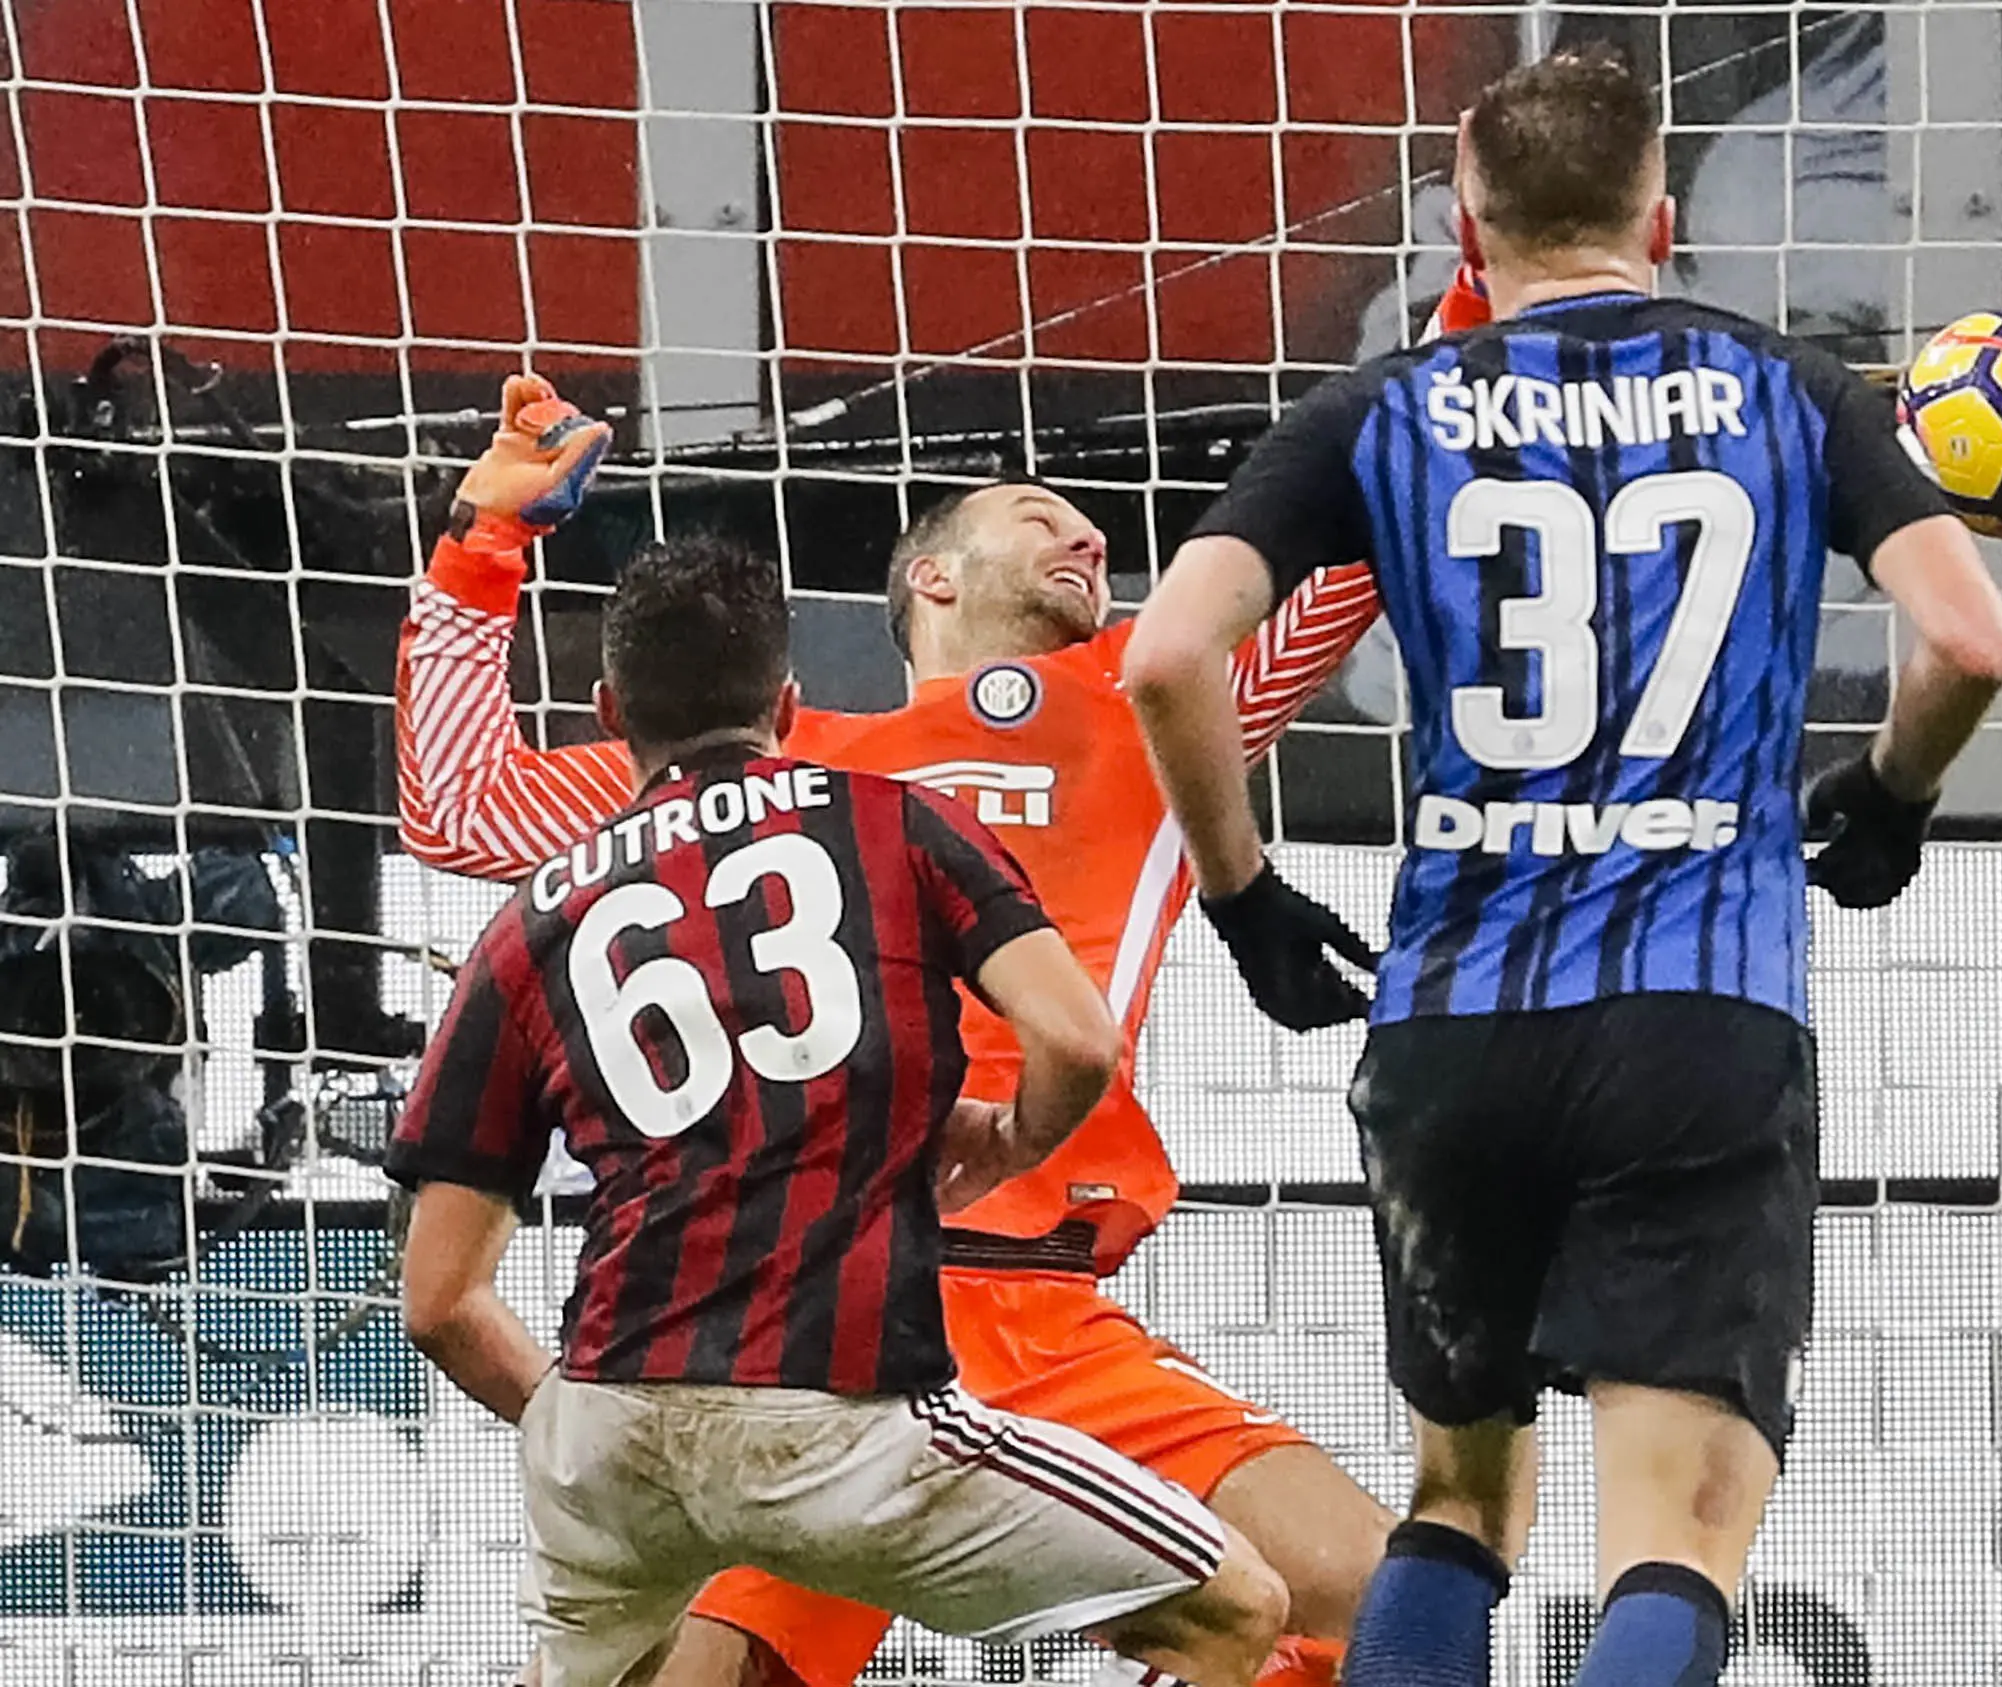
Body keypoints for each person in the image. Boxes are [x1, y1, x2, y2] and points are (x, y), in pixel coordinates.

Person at [390, 287, 1460, 1687]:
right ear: (931, 580)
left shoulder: (1153, 702)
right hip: (813, 1317)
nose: (1085, 530)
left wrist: (1477, 316)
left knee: (1381, 1608)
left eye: (1088, 523)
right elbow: (459, 803)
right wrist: (481, 547)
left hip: (1050, 1311)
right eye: (1032, 507)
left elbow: (1351, 554)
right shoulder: (768, 769)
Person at [1121, 48, 2002, 1687]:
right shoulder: (1791, 386)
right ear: (1662, 215)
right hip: (1699, 1009)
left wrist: (1243, 899)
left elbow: (1171, 657)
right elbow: (1968, 636)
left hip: (1453, 1021)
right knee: (1679, 1526)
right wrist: (1889, 795)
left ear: (1468, 223)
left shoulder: (1378, 407)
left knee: (1459, 1500)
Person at [387, 534, 1290, 1687]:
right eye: (1028, 510)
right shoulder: (890, 818)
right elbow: (1076, 1037)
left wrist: (477, 547)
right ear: (788, 698)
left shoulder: (534, 919)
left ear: (612, 710)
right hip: (849, 1388)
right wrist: (1009, 1137)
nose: (1078, 537)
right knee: (1242, 1607)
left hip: (611, 1414)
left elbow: (438, 1299)